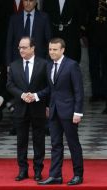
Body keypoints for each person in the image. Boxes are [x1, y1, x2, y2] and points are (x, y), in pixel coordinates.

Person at [38, 38, 84, 185]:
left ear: (62, 50)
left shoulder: (72, 65)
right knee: (55, 144)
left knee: (73, 144)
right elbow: (51, 89)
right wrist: (45, 105)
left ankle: (78, 175)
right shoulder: (49, 65)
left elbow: (78, 91)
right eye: (50, 49)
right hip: (54, 111)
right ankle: (55, 175)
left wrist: (78, 112)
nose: (52, 52)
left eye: (55, 49)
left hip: (69, 112)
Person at [7, 37, 48, 182]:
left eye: (24, 47)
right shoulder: (14, 65)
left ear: (32, 48)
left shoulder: (43, 64)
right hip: (21, 108)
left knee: (39, 140)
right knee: (21, 141)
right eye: (19, 48)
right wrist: (22, 94)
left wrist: (37, 96)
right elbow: (10, 85)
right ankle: (22, 170)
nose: (21, 50)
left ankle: (38, 171)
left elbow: (49, 86)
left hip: (38, 107)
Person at [6, 0, 52, 68]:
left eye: (30, 0)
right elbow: (9, 42)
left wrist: (47, 62)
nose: (27, 3)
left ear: (36, 2)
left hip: (39, 61)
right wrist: (8, 64)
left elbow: (49, 41)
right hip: (17, 61)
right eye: (25, 0)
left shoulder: (44, 17)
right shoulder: (14, 18)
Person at [84, 0, 107, 102]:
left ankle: (105, 92)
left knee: (106, 66)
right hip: (93, 35)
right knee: (94, 66)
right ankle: (96, 93)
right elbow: (85, 13)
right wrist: (84, 33)